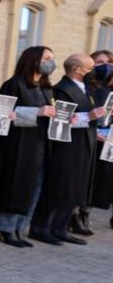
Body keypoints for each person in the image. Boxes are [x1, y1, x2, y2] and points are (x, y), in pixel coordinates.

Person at [0, 46, 57, 246]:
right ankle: (6, 229)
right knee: (15, 186)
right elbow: (1, 114)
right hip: (18, 145)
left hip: (41, 144)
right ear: (33, 59)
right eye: (47, 58)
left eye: (52, 58)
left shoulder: (46, 87)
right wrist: (36, 112)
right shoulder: (14, 84)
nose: (51, 62)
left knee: (34, 188)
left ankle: (20, 228)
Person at [32, 54, 107, 245]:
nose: (94, 71)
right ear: (77, 69)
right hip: (66, 147)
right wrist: (89, 116)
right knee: (60, 187)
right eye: (91, 67)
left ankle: (60, 227)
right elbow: (60, 121)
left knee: (74, 189)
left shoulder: (86, 88)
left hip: (85, 145)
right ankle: (41, 228)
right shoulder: (62, 90)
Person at [86, 60, 113, 226]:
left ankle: (83, 213)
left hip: (106, 138)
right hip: (97, 138)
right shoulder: (96, 91)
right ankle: (80, 214)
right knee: (95, 180)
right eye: (100, 62)